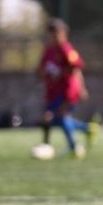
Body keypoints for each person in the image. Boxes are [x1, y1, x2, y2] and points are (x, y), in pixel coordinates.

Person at [37, 18, 92, 158]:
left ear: (64, 33)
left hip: (67, 90)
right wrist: (43, 74)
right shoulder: (49, 51)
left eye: (56, 33)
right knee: (50, 118)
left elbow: (77, 68)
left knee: (60, 116)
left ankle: (72, 146)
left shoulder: (67, 50)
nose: (53, 36)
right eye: (51, 33)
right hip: (52, 91)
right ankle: (86, 129)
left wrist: (81, 87)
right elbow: (41, 69)